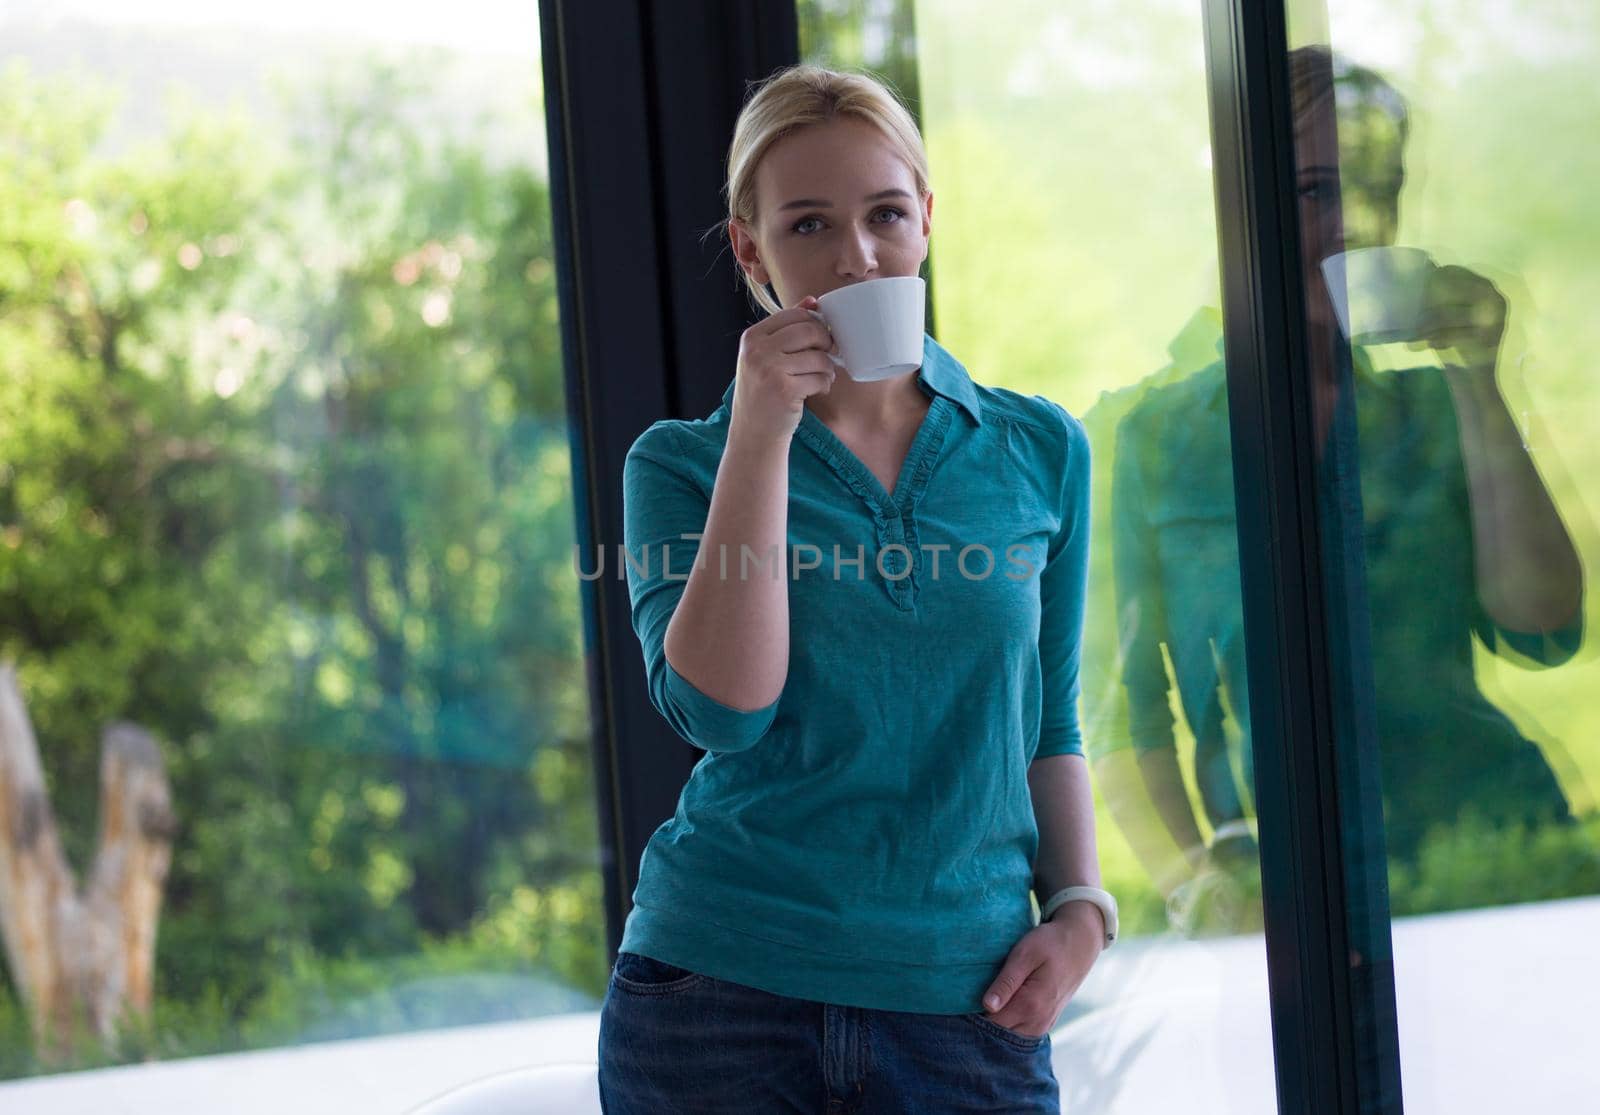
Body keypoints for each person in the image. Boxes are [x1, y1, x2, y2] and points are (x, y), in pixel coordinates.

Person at [597, 64, 1106, 1113]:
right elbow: (724, 712)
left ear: (924, 219)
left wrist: (1081, 908)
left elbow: (1044, 720)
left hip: (968, 1002)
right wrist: (759, 435)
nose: (856, 256)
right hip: (717, 996)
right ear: (753, 250)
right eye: (809, 227)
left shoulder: (1037, 448)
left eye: (883, 214)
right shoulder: (680, 464)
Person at [1083, 46, 1586, 927]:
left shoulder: (1436, 408)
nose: (1352, 222)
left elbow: (1543, 628)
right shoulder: (1156, 438)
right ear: (1240, 212)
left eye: (1374, 187)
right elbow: (1125, 714)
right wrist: (1194, 878)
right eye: (1315, 192)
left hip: (1487, 856)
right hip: (1284, 894)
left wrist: (1477, 376)